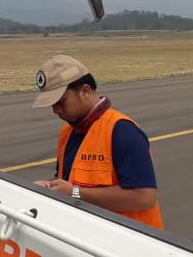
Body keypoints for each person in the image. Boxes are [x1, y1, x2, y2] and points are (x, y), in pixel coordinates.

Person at [31, 55, 163, 229]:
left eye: (61, 102)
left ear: (84, 91)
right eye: (52, 105)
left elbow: (144, 198)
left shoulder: (122, 131)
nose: (56, 110)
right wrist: (50, 186)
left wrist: (74, 193)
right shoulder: (67, 133)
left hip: (130, 243)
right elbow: (66, 179)